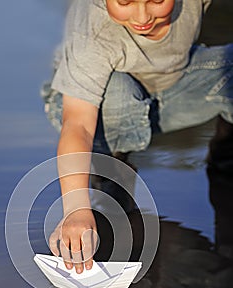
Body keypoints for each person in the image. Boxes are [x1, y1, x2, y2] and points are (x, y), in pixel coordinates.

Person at [42, 0, 233, 274]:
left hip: (172, 91)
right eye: (124, 2)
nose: (142, 16)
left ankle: (226, 163)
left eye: (156, 0)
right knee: (117, 91)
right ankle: (113, 172)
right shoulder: (93, 31)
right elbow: (79, 125)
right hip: (97, 109)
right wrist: (75, 209)